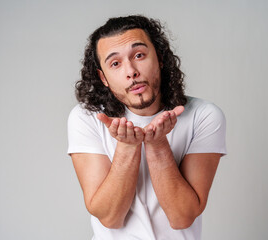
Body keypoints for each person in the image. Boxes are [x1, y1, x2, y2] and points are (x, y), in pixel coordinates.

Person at [67, 15, 226, 240]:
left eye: (139, 55)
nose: (131, 71)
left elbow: (182, 217)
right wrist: (127, 146)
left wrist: (157, 144)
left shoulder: (204, 116)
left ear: (160, 58)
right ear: (103, 77)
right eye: (115, 63)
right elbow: (110, 218)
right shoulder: (88, 118)